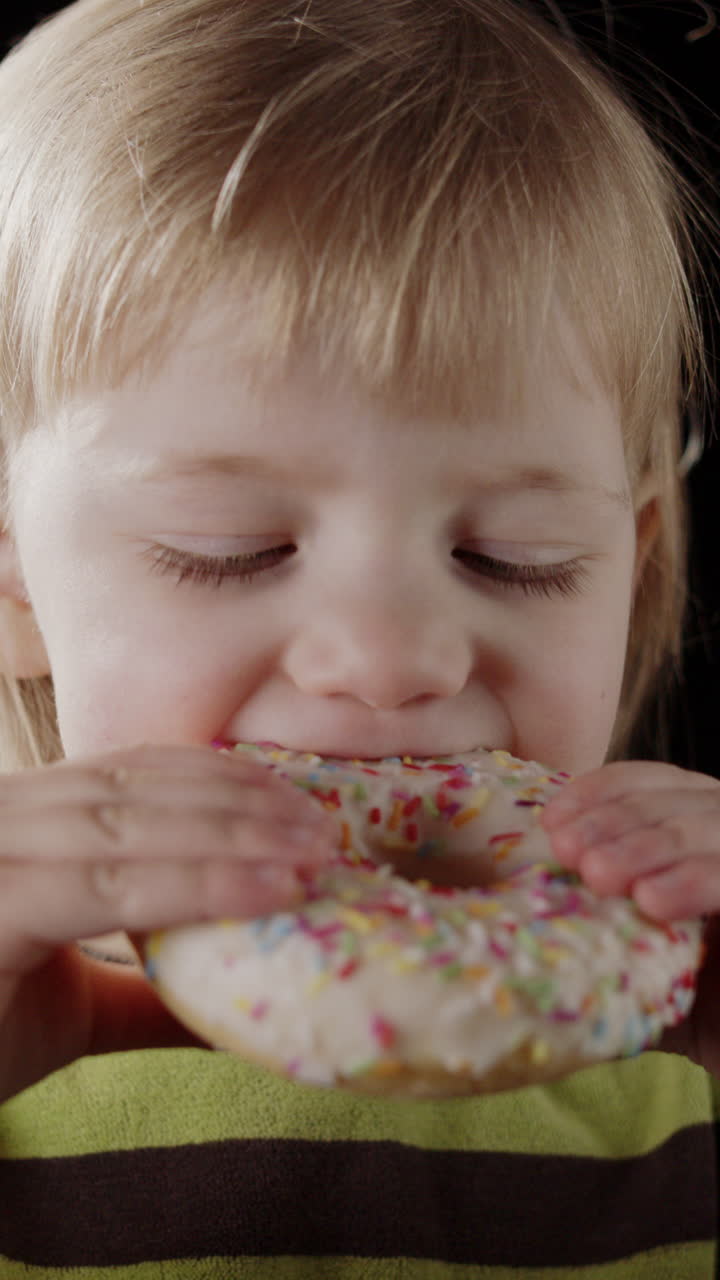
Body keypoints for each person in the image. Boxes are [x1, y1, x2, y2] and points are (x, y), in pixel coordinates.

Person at [0, 0, 718, 1273]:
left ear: (635, 559)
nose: (392, 662)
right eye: (233, 546)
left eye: (517, 559)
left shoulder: (682, 1056)